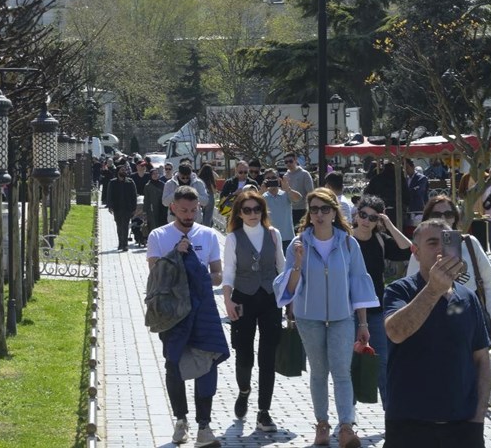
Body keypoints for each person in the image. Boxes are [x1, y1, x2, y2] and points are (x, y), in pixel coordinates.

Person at [273, 187, 378, 448]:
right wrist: (297, 262)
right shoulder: (299, 243)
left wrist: (363, 323)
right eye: (314, 209)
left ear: (334, 212)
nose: (319, 214)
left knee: (342, 372)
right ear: (309, 214)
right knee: (319, 373)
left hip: (343, 318)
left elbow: (358, 282)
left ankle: (346, 428)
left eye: (325, 209)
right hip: (309, 318)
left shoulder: (347, 242)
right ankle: (322, 424)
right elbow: (289, 287)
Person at [383, 219, 491, 447]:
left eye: (447, 242)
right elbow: (396, 332)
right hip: (409, 426)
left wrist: (478, 419)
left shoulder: (468, 298)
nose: (441, 249)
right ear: (416, 252)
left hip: (461, 427)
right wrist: (433, 289)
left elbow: (482, 360)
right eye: (432, 243)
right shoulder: (399, 290)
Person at [147, 186, 226, 448]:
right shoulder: (158, 235)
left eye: (193, 210)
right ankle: (181, 420)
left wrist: (201, 274)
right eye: (183, 210)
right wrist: (177, 256)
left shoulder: (209, 235)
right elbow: (156, 275)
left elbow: (218, 274)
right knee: (174, 364)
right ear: (173, 208)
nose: (189, 215)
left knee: (206, 362)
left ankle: (204, 426)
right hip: (172, 312)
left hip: (202, 310)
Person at [221, 188, 284, 433]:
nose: (252, 214)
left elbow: (282, 267)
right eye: (247, 210)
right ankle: (244, 390)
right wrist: (227, 301)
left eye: (257, 209)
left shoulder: (274, 234)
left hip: (269, 298)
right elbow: (228, 272)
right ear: (239, 213)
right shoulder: (234, 238)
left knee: (268, 357)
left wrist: (289, 300)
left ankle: (264, 411)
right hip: (243, 299)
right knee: (244, 354)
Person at [406, 196, 491, 347]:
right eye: (437, 215)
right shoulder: (422, 251)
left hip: (470, 316)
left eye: (449, 214)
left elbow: (489, 285)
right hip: (433, 318)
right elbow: (412, 289)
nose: (444, 219)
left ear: (455, 217)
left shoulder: (470, 244)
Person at [350, 194, 413, 404]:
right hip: (347, 310)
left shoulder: (380, 240)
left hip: (376, 308)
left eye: (373, 217)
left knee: (382, 362)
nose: (367, 221)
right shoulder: (346, 240)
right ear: (356, 215)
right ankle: (347, 419)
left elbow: (408, 249)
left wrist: (389, 224)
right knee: (347, 363)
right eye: (363, 215)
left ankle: (391, 414)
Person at [106, 165, 138, 252]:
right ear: (118, 171)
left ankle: (125, 244)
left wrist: (134, 208)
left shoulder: (130, 182)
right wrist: (110, 206)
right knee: (119, 225)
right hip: (117, 208)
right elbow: (109, 195)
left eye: (125, 170)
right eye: (122, 170)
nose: (124, 171)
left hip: (127, 207)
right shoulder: (112, 182)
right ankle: (120, 243)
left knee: (125, 225)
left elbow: (134, 195)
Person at [260, 169, 294, 253]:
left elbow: (298, 198)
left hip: (287, 237)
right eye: (268, 178)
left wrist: (287, 188)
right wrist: (261, 191)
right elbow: (252, 205)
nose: (271, 180)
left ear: (279, 179)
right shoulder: (261, 197)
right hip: (269, 237)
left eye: (273, 177)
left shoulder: (286, 193)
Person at [279, 152, 314, 227]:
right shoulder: (285, 176)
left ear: (295, 160)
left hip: (303, 209)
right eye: (286, 162)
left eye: (290, 161)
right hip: (290, 210)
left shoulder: (304, 174)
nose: (288, 164)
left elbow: (310, 193)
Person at [403, 160, 429, 232]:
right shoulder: (405, 179)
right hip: (408, 209)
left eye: (407, 168)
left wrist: (407, 192)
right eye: (404, 168)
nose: (406, 170)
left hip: (418, 208)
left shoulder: (421, 178)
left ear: (413, 167)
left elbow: (418, 191)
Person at [144, 166, 168, 235]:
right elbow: (146, 199)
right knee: (154, 225)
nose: (155, 175)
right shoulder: (148, 186)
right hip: (152, 209)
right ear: (150, 175)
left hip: (162, 208)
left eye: (157, 173)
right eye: (153, 174)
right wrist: (145, 211)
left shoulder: (162, 184)